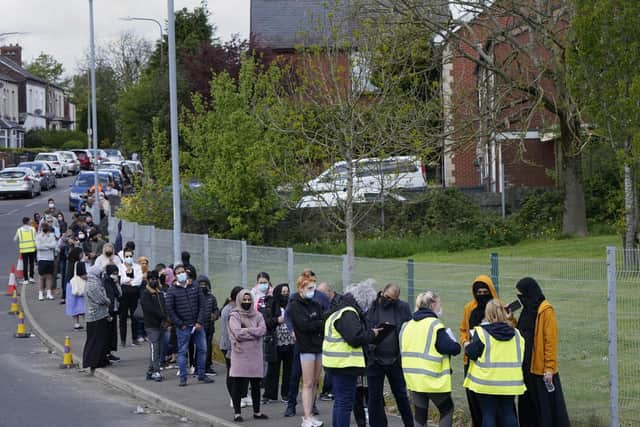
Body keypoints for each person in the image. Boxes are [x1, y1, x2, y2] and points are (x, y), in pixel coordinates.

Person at [323, 281, 380, 427]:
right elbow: (355, 338)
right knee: (345, 404)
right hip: (345, 364)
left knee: (340, 402)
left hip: (334, 363)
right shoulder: (348, 313)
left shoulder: (338, 310)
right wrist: (371, 334)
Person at [401, 291, 461, 427]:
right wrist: (455, 344)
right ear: (433, 304)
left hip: (413, 379)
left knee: (420, 415)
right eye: (439, 303)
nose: (440, 307)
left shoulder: (407, 325)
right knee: (447, 410)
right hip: (432, 380)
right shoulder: (435, 325)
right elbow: (450, 348)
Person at [515, 277, 570, 427]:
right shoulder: (526, 310)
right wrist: (510, 320)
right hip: (526, 367)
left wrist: (549, 369)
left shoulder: (545, 310)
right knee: (528, 407)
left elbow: (550, 341)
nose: (520, 298)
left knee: (545, 410)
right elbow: (521, 332)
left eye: (522, 294)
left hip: (540, 370)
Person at [463, 300, 526, 427]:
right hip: (509, 382)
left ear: (487, 314)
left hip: (486, 383)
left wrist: (466, 344)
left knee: (488, 414)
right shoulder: (517, 334)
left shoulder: (481, 333)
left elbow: (471, 353)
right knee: (508, 413)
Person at [366, 283, 414, 427]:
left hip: (395, 360)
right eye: (387, 297)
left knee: (401, 396)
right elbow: (364, 327)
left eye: (393, 299)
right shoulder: (371, 306)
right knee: (374, 398)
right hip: (374, 360)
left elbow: (408, 329)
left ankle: (409, 424)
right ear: (382, 292)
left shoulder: (402, 307)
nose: (389, 301)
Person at [284, 271, 329, 418]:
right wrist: (293, 330)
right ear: (301, 287)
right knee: (297, 375)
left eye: (313, 286)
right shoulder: (294, 302)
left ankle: (311, 406)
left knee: (314, 380)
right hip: (302, 343)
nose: (312, 290)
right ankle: (292, 405)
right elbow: (300, 323)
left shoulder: (318, 300)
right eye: (309, 286)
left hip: (316, 344)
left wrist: (315, 323)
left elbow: (324, 318)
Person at [460, 275, 499, 427]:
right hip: (472, 358)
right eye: (479, 292)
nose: (482, 295)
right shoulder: (469, 308)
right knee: (474, 400)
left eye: (485, 292)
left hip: (492, 360)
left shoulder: (498, 306)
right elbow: (463, 329)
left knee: (493, 405)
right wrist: (465, 342)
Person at [164, 264, 213, 387]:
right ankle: (183, 378)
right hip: (183, 327)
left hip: (197, 325)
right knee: (182, 352)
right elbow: (170, 310)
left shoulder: (195, 286)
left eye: (183, 272)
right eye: (179, 272)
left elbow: (202, 305)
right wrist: (180, 324)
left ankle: (201, 374)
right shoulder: (172, 291)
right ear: (175, 276)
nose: (182, 274)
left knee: (203, 349)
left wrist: (199, 322)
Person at [228, 289, 269, 422]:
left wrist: (247, 330)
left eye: (249, 299)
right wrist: (253, 332)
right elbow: (237, 333)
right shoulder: (234, 315)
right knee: (238, 384)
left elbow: (262, 330)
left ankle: (257, 412)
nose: (247, 302)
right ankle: (237, 413)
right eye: (244, 300)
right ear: (239, 301)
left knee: (256, 384)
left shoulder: (258, 315)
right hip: (240, 354)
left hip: (255, 355)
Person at [262, 283, 295, 403]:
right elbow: (266, 321)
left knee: (289, 370)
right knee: (273, 370)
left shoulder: (291, 304)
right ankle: (269, 395)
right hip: (275, 342)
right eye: (283, 292)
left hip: (290, 342)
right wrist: (277, 320)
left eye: (287, 292)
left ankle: (286, 394)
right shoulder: (271, 304)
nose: (285, 295)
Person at [221, 286, 250, 407]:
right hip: (230, 346)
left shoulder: (241, 309)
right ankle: (234, 397)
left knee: (243, 372)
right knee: (232, 372)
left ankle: (243, 395)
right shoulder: (229, 310)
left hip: (242, 345)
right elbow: (229, 332)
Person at [140, 270, 168, 382]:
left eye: (156, 279)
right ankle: (156, 371)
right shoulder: (145, 293)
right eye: (152, 279)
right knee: (154, 348)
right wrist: (163, 317)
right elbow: (150, 309)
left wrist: (165, 319)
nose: (154, 281)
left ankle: (150, 371)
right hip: (151, 325)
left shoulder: (159, 292)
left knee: (158, 349)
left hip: (160, 325)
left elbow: (164, 306)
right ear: (148, 280)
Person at [83, 265, 112, 373]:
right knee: (96, 340)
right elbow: (100, 299)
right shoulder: (93, 284)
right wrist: (108, 301)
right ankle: (94, 361)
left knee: (98, 340)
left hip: (96, 316)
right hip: (96, 316)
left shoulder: (92, 282)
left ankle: (99, 360)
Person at [192, 275, 219, 375]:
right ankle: (197, 367)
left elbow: (216, 309)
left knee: (208, 348)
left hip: (209, 327)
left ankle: (207, 366)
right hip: (199, 327)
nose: (203, 286)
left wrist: (215, 315)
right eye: (201, 285)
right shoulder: (194, 298)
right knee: (199, 348)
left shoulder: (211, 298)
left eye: (205, 284)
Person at [118, 249, 143, 346]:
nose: (128, 258)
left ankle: (134, 338)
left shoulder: (137, 267)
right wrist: (130, 279)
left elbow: (139, 280)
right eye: (126, 256)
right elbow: (122, 279)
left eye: (130, 256)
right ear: (123, 257)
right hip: (123, 294)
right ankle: (123, 340)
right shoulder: (120, 267)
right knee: (122, 317)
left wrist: (130, 282)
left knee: (134, 316)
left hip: (134, 294)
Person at [103, 264, 122, 363]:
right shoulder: (105, 282)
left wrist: (117, 283)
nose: (115, 275)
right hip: (107, 311)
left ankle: (109, 352)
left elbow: (120, 293)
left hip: (114, 310)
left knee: (113, 333)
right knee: (107, 333)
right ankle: (106, 353)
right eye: (114, 273)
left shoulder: (114, 282)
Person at [36, 223, 58, 301]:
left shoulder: (52, 235)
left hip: (50, 258)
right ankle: (41, 293)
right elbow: (38, 247)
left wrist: (44, 245)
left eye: (46, 227)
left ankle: (49, 293)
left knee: (49, 276)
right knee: (41, 277)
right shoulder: (38, 236)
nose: (44, 229)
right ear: (41, 228)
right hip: (41, 259)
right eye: (43, 227)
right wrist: (48, 246)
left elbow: (54, 245)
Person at [14, 216, 37, 285]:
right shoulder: (32, 229)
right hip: (32, 249)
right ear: (28, 222)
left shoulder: (19, 230)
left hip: (24, 250)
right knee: (32, 263)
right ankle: (31, 278)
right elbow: (35, 238)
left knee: (25, 264)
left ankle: (26, 279)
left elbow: (15, 239)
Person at [66, 260, 87, 330]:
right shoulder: (80, 263)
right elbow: (83, 275)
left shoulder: (70, 263)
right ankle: (88, 323)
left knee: (74, 306)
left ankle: (76, 324)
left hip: (73, 287)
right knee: (84, 307)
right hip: (81, 288)